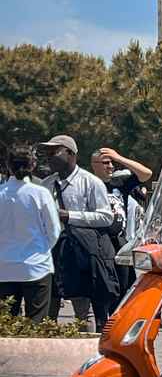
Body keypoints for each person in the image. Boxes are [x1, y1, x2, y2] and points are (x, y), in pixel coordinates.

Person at [38, 135, 123, 332]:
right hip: (51, 252)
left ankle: (85, 346)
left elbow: (105, 217)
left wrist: (69, 216)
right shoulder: (46, 185)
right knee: (48, 308)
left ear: (71, 153)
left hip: (79, 253)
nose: (49, 157)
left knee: (82, 309)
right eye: (47, 153)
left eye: (54, 152)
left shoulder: (90, 182)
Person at [0, 146, 61, 321]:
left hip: (4, 267)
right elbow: (54, 230)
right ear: (33, 165)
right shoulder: (40, 193)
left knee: (5, 323)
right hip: (36, 266)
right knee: (36, 323)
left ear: (8, 165)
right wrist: (42, 249)